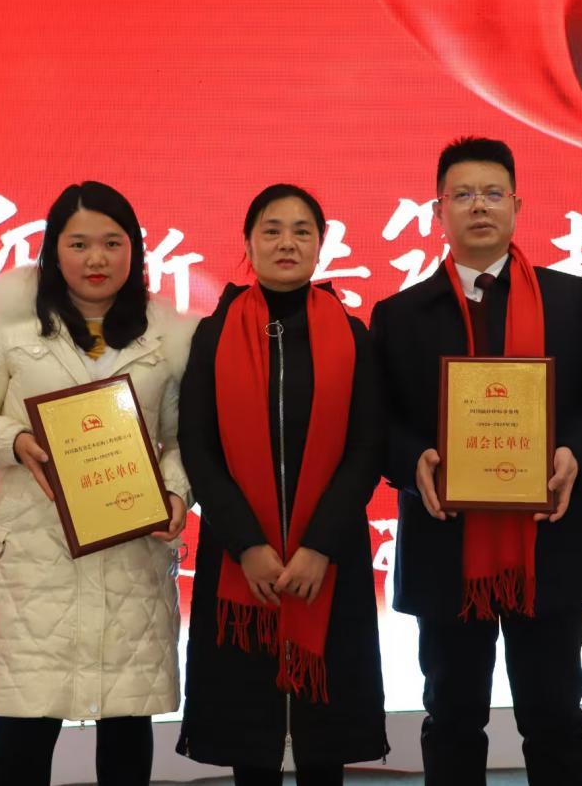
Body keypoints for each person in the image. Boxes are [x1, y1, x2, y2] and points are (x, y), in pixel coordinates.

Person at [370, 138, 582, 786]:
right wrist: (413, 459)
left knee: (554, 715)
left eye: (492, 193)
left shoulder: (568, 299)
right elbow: (374, 421)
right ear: (438, 211)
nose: (479, 206)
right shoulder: (401, 315)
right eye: (462, 194)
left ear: (516, 206)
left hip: (549, 540)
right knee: (451, 716)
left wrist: (575, 453)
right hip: (446, 544)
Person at [0, 181, 194, 786]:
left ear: (134, 250)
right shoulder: (11, 327)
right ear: (54, 251)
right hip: (35, 563)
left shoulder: (168, 335)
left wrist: (175, 492)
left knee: (126, 731)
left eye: (112, 242)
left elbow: (183, 438)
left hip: (129, 554)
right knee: (23, 738)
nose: (96, 258)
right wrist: (15, 441)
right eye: (79, 244)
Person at [176, 184, 388, 785]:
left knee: (326, 740)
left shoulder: (352, 334)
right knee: (251, 741)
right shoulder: (213, 335)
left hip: (330, 558)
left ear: (321, 244)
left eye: (302, 231)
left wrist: (319, 545)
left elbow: (366, 447)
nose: (287, 243)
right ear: (248, 244)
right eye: (271, 230)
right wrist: (248, 546)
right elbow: (198, 448)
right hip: (241, 561)